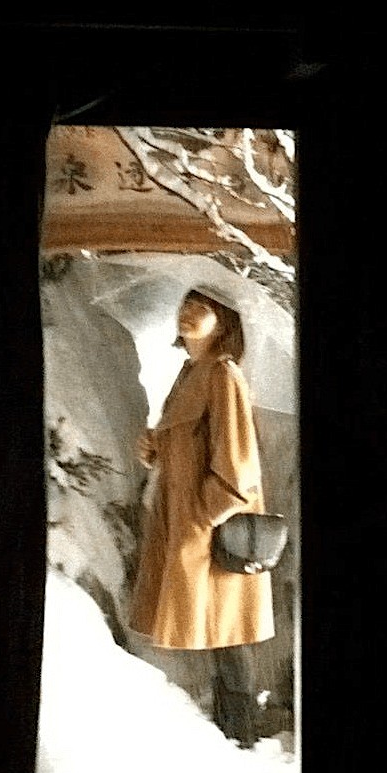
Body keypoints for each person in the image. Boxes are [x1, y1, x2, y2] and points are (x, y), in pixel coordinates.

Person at [128, 287, 275, 747]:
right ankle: (231, 733)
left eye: (203, 308)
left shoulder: (223, 374)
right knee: (218, 628)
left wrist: (202, 513)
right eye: (186, 304)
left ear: (224, 323)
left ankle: (241, 735)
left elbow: (239, 466)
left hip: (212, 524)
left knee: (227, 630)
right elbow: (191, 444)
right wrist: (156, 449)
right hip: (189, 521)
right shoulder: (190, 372)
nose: (188, 313)